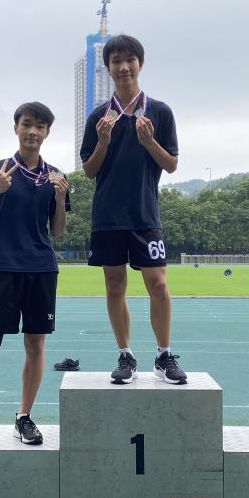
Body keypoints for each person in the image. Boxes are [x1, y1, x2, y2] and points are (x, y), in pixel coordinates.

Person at [0, 102, 70, 449]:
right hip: (3, 268)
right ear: (16, 128)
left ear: (47, 132)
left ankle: (24, 417)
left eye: (40, 126)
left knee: (35, 344)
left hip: (41, 270)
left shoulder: (55, 177)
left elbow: (58, 231)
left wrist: (61, 198)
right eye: (27, 124)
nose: (33, 131)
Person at [80, 34, 186, 386]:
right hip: (107, 216)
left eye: (129, 60)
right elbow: (90, 170)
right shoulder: (99, 117)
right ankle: (125, 355)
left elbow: (170, 165)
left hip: (144, 214)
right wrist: (104, 141)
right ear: (108, 68)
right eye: (116, 61)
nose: (123, 67)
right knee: (114, 286)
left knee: (158, 285)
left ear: (139, 64)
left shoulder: (159, 111)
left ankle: (163, 354)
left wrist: (148, 141)